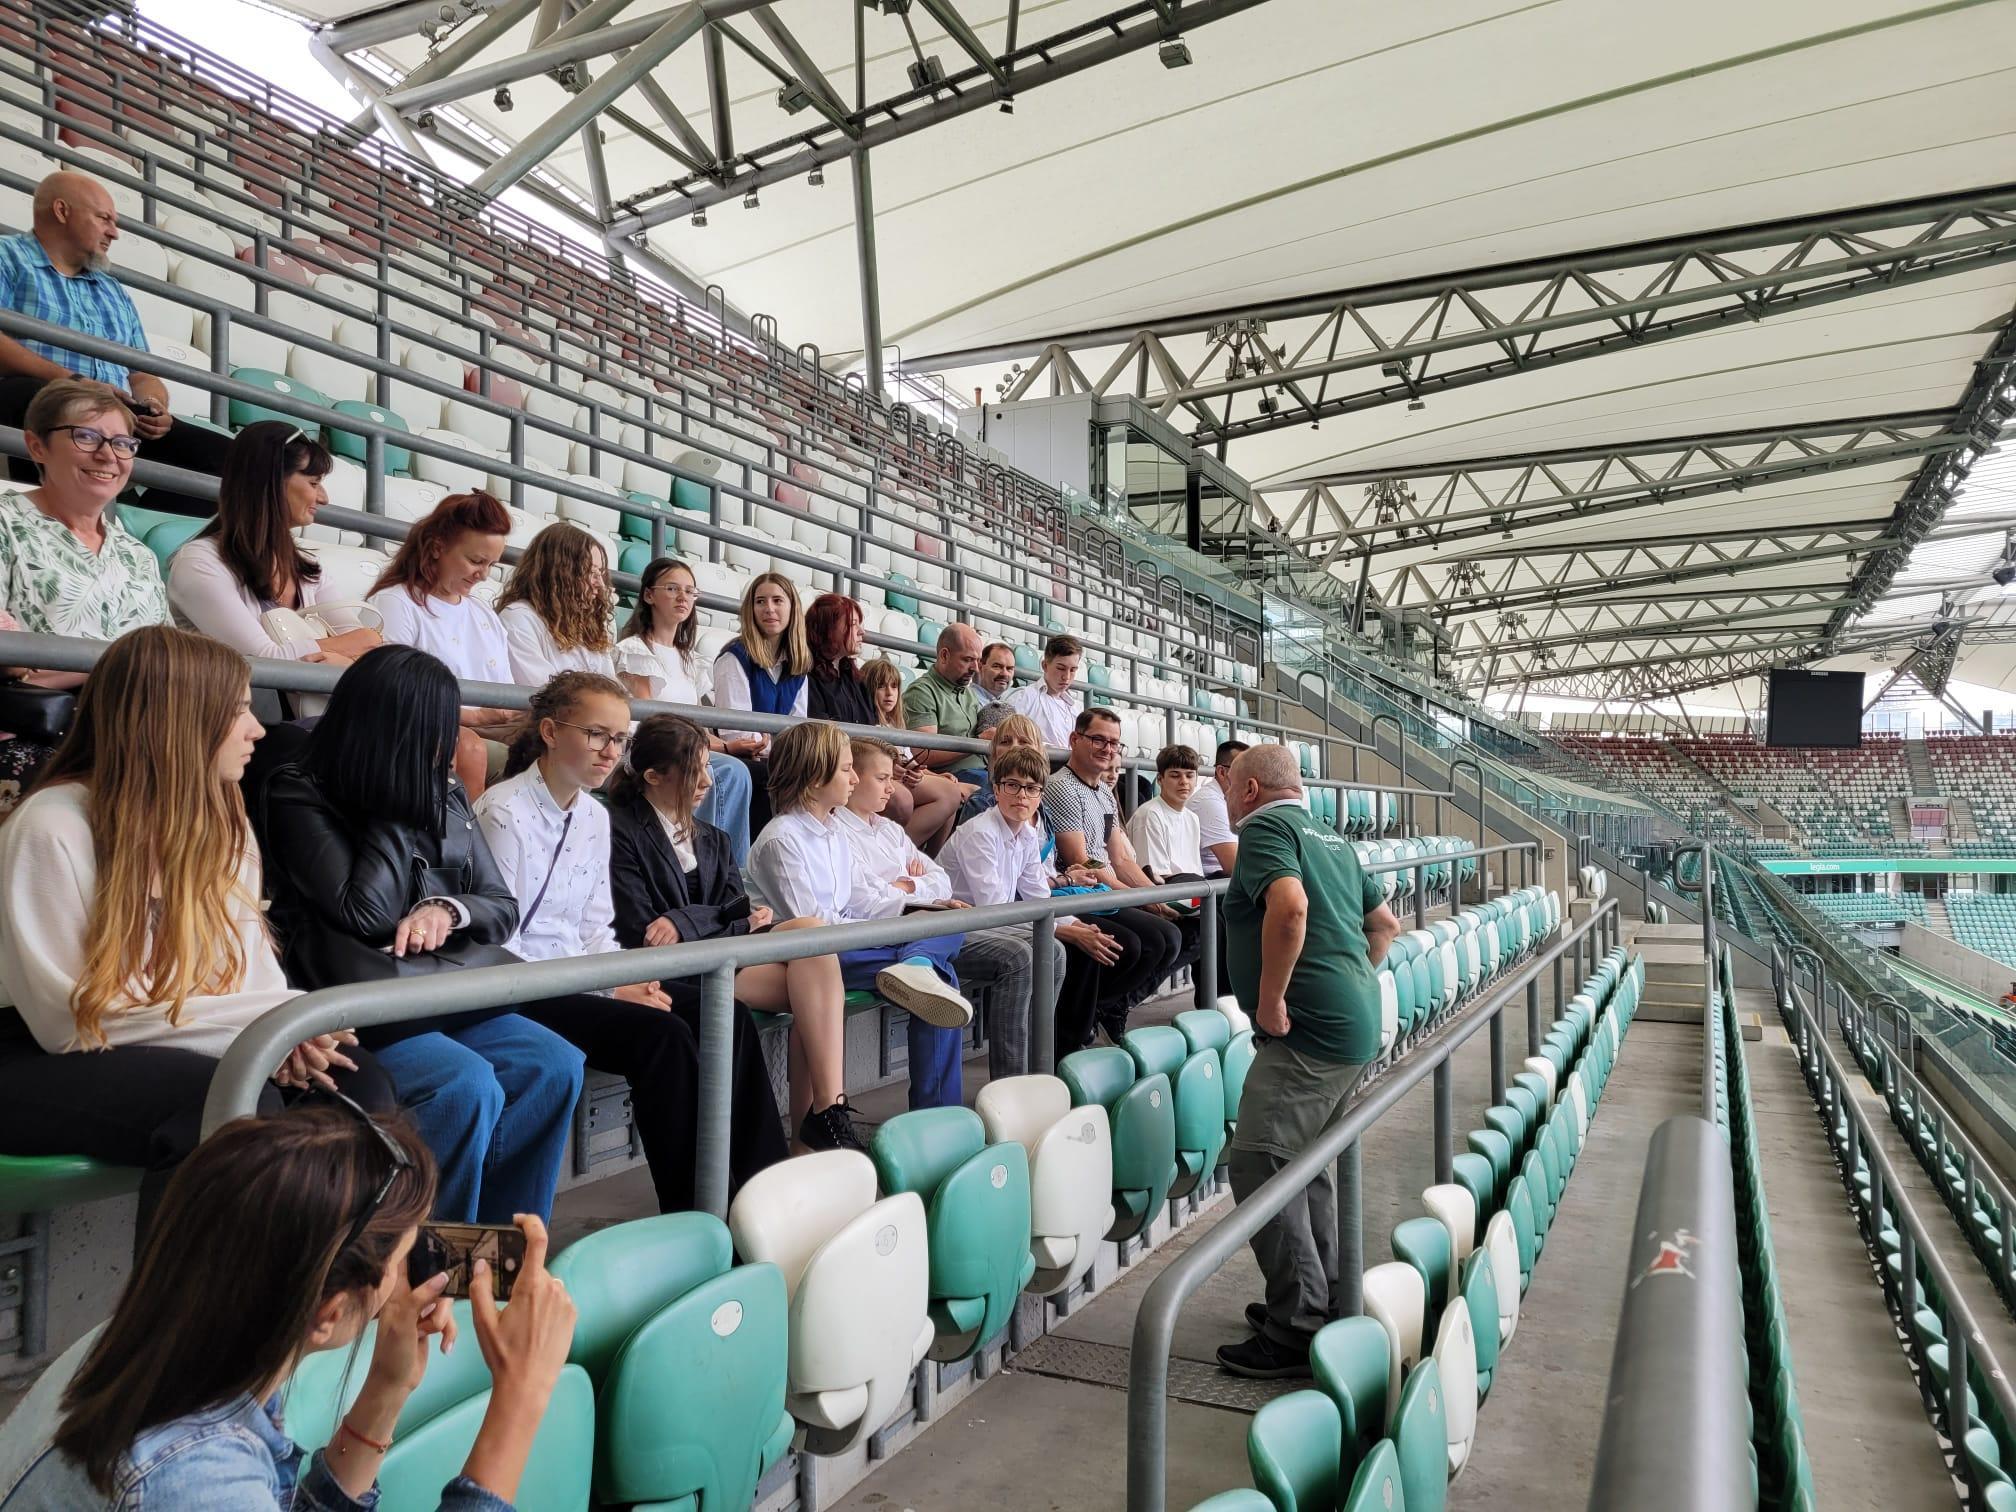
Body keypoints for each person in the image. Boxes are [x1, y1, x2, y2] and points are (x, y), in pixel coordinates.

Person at [0, 626, 393, 1237]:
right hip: (34, 1049)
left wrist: (283, 1036)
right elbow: (70, 1021)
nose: (256, 729)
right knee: (224, 1101)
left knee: (356, 1083)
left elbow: (252, 977)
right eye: (236, 710)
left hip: (174, 1036)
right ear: (175, 721)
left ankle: (333, 1284)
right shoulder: (50, 827)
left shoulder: (222, 821)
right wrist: (265, 1029)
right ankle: (183, 1300)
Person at [0, 1104, 576, 1510]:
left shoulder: (182, 1344)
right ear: (328, 1313)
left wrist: (386, 1388)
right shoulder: (193, 1477)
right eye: (405, 1258)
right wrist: (521, 1395)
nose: (410, 1277)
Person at [260, 645, 586, 1225]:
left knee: (554, 1063)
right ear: (395, 730)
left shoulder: (445, 789)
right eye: (436, 730)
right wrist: (396, 802)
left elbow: (501, 907)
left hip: (443, 989)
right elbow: (365, 913)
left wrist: (447, 909)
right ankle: (428, 1259)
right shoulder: (299, 789)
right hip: (364, 1004)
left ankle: (502, 1251)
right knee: (464, 1085)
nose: (449, 747)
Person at [476, 672, 786, 1211]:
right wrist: (611, 991)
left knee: (724, 1013)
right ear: (550, 731)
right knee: (662, 1036)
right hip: (525, 988)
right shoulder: (503, 811)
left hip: (586, 977)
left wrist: (629, 978)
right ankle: (700, 1212)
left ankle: (766, 1190)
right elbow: (506, 944)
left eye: (618, 739)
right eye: (596, 734)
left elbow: (597, 928)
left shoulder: (593, 816)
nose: (610, 751)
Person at [1214, 744, 1401, 1380]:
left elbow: (1290, 907)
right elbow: (1385, 926)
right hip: (1352, 1021)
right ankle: (1324, 1299)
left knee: (1261, 1162)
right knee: (1306, 1166)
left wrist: (1272, 1001)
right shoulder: (1332, 837)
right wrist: (1348, 982)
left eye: (1230, 786)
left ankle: (1295, 1326)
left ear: (1249, 790)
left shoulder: (1266, 828)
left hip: (1309, 1035)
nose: (1228, 797)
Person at [607, 713, 864, 1151]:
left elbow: (738, 910)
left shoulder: (714, 837)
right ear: (653, 776)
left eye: (708, 766)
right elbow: (642, 929)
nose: (708, 781)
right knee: (815, 983)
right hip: (675, 971)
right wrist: (712, 920)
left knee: (813, 944)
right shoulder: (620, 830)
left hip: (723, 955)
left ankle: (824, 1117)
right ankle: (821, 1126)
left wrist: (685, 921)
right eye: (694, 770)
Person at [745, 722, 974, 1110]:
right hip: (811, 959)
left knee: (949, 921)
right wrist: (898, 923)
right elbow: (815, 929)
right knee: (940, 970)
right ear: (816, 776)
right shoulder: (783, 838)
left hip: (849, 941)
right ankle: (936, 1110)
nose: (853, 779)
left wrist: (909, 911)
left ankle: (917, 963)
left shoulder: (831, 831)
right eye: (847, 769)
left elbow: (864, 902)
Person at [0, 172, 229, 518]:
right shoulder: (7, 257)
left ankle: (131, 527)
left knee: (231, 460)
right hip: (43, 398)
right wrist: (72, 381)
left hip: (115, 410)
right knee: (34, 396)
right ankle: (51, 520)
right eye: (104, 218)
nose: (114, 232)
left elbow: (142, 372)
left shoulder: (113, 289)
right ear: (62, 211)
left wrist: (154, 404)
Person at [840, 735, 1043, 1107]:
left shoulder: (889, 830)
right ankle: (957, 1103)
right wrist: (915, 892)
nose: (892, 788)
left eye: (891, 778)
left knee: (947, 945)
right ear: (852, 776)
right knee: (951, 948)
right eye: (882, 778)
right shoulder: (837, 831)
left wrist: (906, 886)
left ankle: (1032, 1073)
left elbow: (939, 880)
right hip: (872, 935)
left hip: (912, 929)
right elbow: (864, 900)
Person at [0, 379, 168, 808]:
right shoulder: (5, 522)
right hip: (38, 730)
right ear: (37, 446)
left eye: (123, 443)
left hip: (143, 729)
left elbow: (169, 656)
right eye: (86, 437)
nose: (109, 455)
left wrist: (64, 666)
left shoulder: (138, 555)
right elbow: (9, 659)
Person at [167, 421, 383, 729]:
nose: (323, 498)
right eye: (313, 483)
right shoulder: (200, 562)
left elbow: (373, 650)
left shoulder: (307, 569)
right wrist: (353, 646)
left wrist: (348, 653)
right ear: (270, 481)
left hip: (309, 724)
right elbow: (264, 662)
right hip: (235, 728)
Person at [940, 743, 1104, 1079]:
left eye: (1031, 788)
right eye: (1012, 785)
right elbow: (994, 910)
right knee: (1023, 956)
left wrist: (1075, 924)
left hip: (990, 923)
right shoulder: (980, 833)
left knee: (1055, 951)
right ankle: (1010, 1079)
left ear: (1041, 795)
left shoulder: (1027, 835)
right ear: (996, 789)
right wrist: (1060, 929)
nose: (1021, 795)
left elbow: (1038, 897)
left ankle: (1039, 1064)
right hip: (955, 928)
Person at [1041, 706, 1186, 1049]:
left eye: (1114, 743)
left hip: (1105, 890)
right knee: (1140, 944)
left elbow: (1119, 857)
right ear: (1075, 739)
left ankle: (1103, 1009)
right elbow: (1082, 860)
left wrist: (1153, 895)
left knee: (1170, 937)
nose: (1107, 749)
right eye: (1098, 740)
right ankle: (1084, 1020)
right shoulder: (1062, 787)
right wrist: (1136, 897)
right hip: (1079, 892)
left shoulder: (1104, 791)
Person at [367, 491, 517, 796]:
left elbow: (506, 695)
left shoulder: (484, 614)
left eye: (491, 564)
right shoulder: (396, 603)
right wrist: (475, 717)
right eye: (476, 561)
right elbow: (393, 694)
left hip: (488, 732)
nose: (484, 575)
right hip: (432, 731)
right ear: (437, 548)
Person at [610, 556, 754, 861]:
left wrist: (728, 745)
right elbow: (650, 721)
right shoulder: (634, 649)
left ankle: (732, 867)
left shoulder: (690, 659)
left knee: (738, 770)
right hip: (652, 747)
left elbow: (697, 726)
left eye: (690, 591)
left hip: (688, 746)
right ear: (649, 595)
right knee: (716, 770)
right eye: (673, 589)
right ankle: (699, 860)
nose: (683, 598)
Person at [711, 571, 809, 835]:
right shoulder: (735, 657)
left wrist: (785, 753)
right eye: (760, 601)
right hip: (743, 756)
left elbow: (796, 728)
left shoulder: (799, 665)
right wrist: (779, 752)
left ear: (792, 608)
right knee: (770, 777)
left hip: (776, 757)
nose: (769, 609)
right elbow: (735, 730)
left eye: (777, 600)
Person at [861, 654, 967, 852]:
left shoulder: (895, 724)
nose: (889, 693)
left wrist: (936, 776)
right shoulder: (867, 724)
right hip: (889, 781)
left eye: (894, 687)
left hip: (906, 780)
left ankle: (931, 857)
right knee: (950, 794)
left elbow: (911, 763)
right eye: (881, 686)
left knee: (953, 789)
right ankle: (897, 852)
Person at [495, 521, 616, 688]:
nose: (600, 584)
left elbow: (614, 689)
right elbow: (545, 695)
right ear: (560, 573)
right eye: (590, 572)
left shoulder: (589, 627)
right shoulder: (518, 618)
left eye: (601, 573)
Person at [902, 623, 989, 785]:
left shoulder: (968, 693)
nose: (976, 668)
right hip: (952, 777)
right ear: (944, 656)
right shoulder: (921, 692)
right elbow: (923, 754)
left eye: (978, 660)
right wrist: (978, 743)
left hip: (982, 771)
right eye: (968, 659)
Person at [1127, 744, 1205, 881]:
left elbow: (1195, 870)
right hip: (1165, 890)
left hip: (1192, 887)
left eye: (1189, 775)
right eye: (1175, 776)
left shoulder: (1193, 818)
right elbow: (1155, 877)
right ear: (1159, 779)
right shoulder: (1149, 815)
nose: (1184, 782)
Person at [1001, 634, 1084, 749]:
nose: (1067, 677)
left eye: (1073, 670)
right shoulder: (1023, 697)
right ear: (1045, 665)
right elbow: (1003, 740)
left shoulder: (1076, 709)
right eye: (1061, 668)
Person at [1193, 738, 1249, 880]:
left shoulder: (1235, 799)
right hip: (1212, 884)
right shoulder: (1208, 802)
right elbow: (1235, 866)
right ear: (1222, 772)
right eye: (1244, 770)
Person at [974, 641, 1016, 706]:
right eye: (997, 666)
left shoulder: (1011, 703)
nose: (1004, 673)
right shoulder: (969, 702)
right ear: (980, 667)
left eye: (1009, 668)